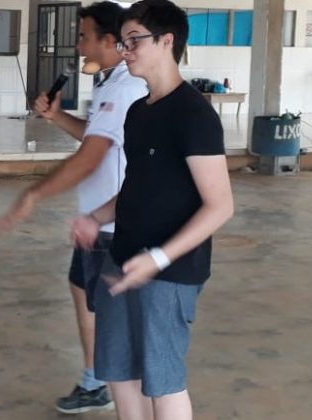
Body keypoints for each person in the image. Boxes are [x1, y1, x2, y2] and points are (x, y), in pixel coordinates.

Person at [70, 1, 234, 419]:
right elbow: (137, 187)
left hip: (170, 272)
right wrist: (96, 218)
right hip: (123, 259)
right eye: (122, 42)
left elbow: (220, 206)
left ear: (166, 41)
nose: (125, 50)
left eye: (134, 40)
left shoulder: (193, 114)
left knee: (162, 380)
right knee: (119, 372)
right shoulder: (138, 112)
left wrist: (158, 258)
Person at [0, 2, 147, 414]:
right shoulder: (108, 83)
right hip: (94, 221)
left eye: (84, 37)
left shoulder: (126, 88)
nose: (79, 46)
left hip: (113, 225)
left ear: (109, 41)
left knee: (111, 316)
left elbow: (90, 158)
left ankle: (120, 389)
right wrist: (57, 116)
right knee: (83, 294)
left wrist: (34, 194)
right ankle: (95, 380)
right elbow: (95, 136)